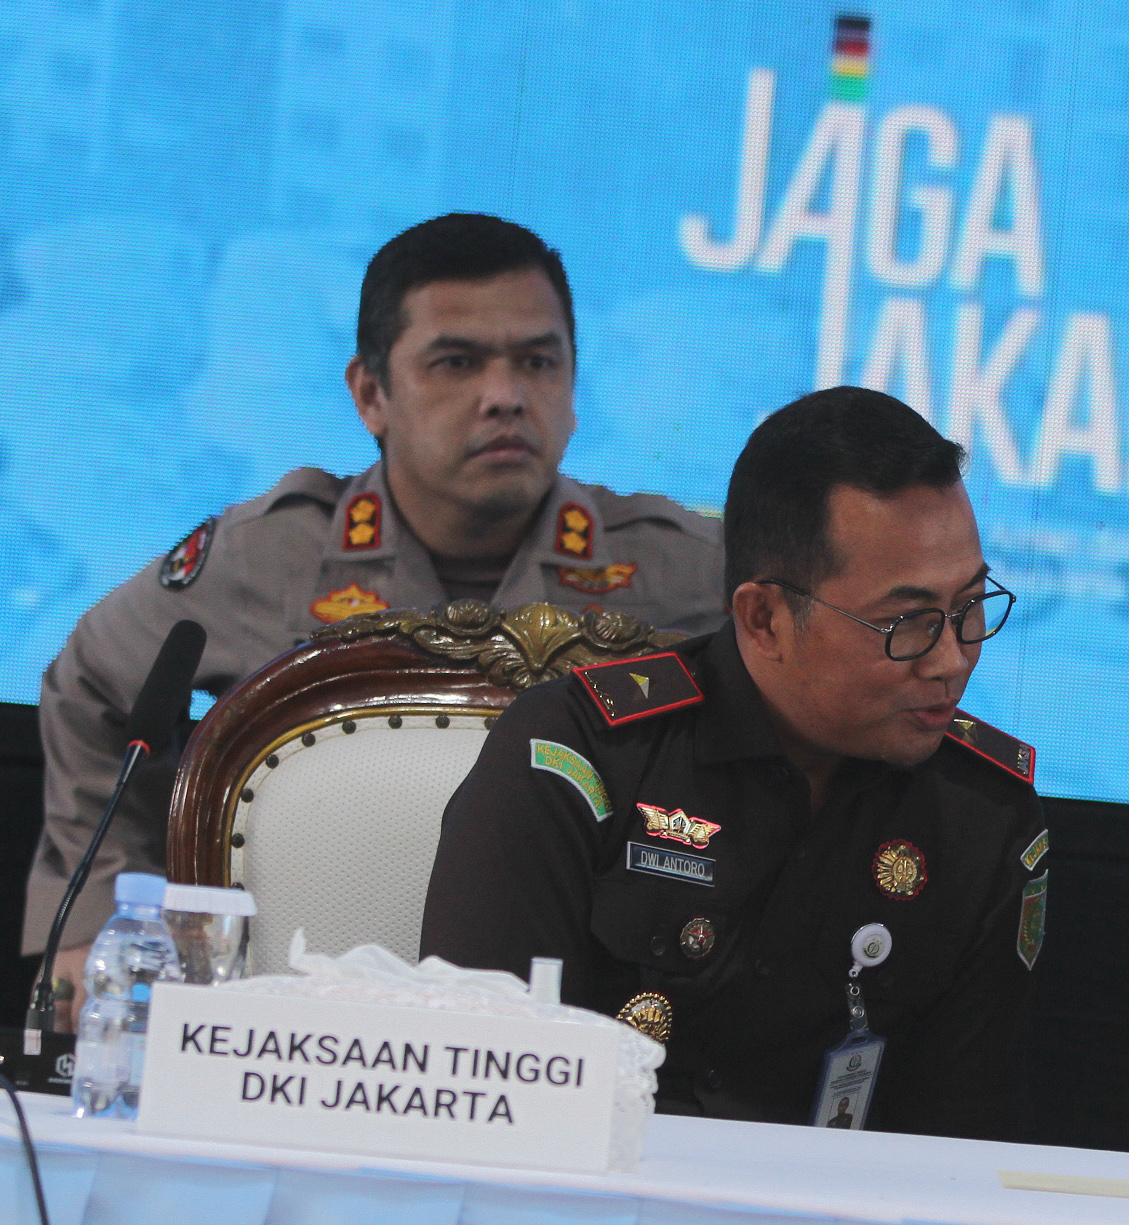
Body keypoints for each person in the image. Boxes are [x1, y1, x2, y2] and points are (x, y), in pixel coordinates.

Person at [30, 213, 726, 1023]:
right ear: (370, 393)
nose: (504, 396)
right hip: (296, 1019)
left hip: (576, 1026)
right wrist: (98, 921)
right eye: (456, 363)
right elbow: (91, 683)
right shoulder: (272, 555)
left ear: (574, 387)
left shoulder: (681, 570)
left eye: (538, 361)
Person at [421, 387, 1045, 1140]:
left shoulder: (982, 819)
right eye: (906, 623)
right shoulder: (579, 756)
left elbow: (959, 1153)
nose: (952, 659)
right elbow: (477, 1099)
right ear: (764, 618)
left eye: (971, 606)